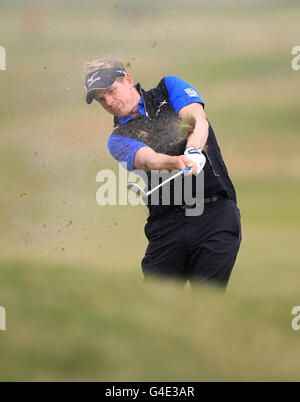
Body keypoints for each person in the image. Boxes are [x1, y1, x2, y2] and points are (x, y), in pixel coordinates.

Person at [84, 57, 242, 288]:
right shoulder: (118, 139)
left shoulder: (168, 88)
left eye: (110, 90)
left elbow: (197, 119)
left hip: (215, 214)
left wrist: (193, 150)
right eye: (100, 99)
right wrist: (175, 162)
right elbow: (148, 159)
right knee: (158, 309)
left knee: (208, 302)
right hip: (167, 227)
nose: (108, 101)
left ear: (127, 79)